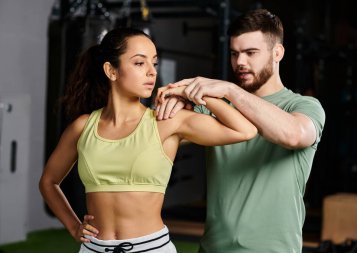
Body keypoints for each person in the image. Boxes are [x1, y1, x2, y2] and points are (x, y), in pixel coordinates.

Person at [39, 27, 257, 253]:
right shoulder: (83, 127)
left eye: (154, 63)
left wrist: (193, 92)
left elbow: (245, 130)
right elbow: (49, 181)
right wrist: (74, 227)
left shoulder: (166, 121)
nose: (152, 72)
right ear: (111, 71)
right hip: (93, 249)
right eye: (139, 63)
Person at [155, 9, 326, 253]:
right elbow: (151, 136)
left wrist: (230, 90)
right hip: (212, 248)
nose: (240, 62)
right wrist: (173, 103)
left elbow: (294, 135)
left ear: (278, 53)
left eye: (250, 53)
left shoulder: (303, 106)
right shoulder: (214, 107)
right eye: (234, 54)